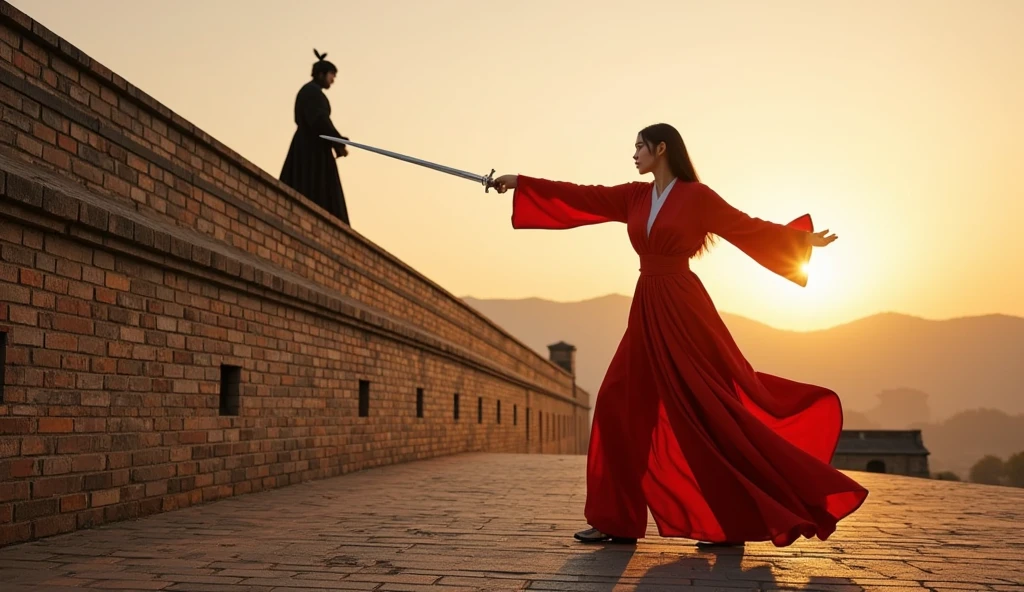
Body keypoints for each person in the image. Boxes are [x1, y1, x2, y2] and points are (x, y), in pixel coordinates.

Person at [492, 123, 868, 548]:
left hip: (684, 310)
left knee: (706, 411)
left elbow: (744, 226)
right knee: (617, 402)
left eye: (639, 146)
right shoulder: (634, 196)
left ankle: (735, 522)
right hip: (646, 307)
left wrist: (799, 239)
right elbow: (582, 194)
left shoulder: (697, 197)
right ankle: (614, 520)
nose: (633, 154)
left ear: (661, 148)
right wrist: (520, 183)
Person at [280, 49, 351, 225]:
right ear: (321, 74)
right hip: (311, 147)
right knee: (314, 188)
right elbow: (319, 120)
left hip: (310, 145)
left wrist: (336, 140)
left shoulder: (311, 92)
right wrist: (337, 141)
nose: (333, 80)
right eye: (331, 76)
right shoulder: (312, 93)